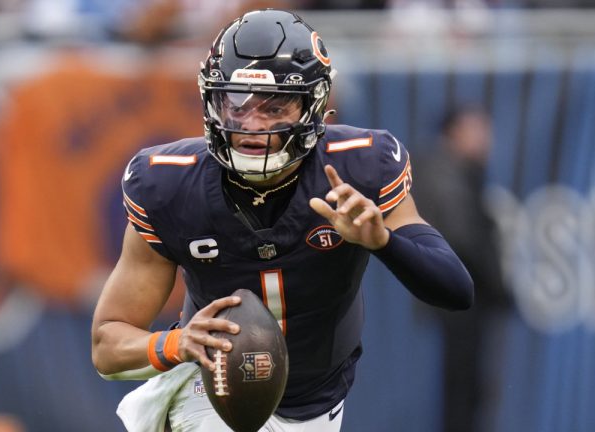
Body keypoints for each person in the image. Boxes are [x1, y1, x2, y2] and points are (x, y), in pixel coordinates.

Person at [91, 9, 473, 431]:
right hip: (212, 385)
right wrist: (176, 343)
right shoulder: (169, 184)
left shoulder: (361, 168)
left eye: (274, 106)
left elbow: (456, 289)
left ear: (317, 105)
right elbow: (108, 345)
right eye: (234, 102)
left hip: (317, 400)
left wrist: (382, 241)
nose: (252, 124)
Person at [413, 105, 512, 432]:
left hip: (460, 299)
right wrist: (497, 285)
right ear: (453, 132)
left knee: (468, 390)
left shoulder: (460, 172)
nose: (485, 140)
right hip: (459, 302)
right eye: (477, 130)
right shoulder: (445, 172)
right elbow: (464, 239)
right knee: (461, 391)